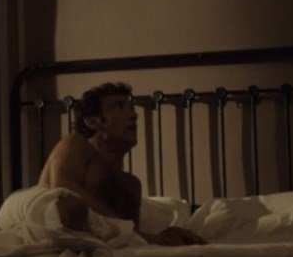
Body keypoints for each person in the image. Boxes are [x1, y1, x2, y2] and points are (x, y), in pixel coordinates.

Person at [37, 80, 207, 246]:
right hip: (45, 228)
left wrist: (164, 237)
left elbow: (129, 239)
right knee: (70, 206)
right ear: (92, 121)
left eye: (131, 108)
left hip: (97, 243)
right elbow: (61, 192)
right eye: (119, 107)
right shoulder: (74, 144)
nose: (134, 115)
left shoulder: (130, 185)